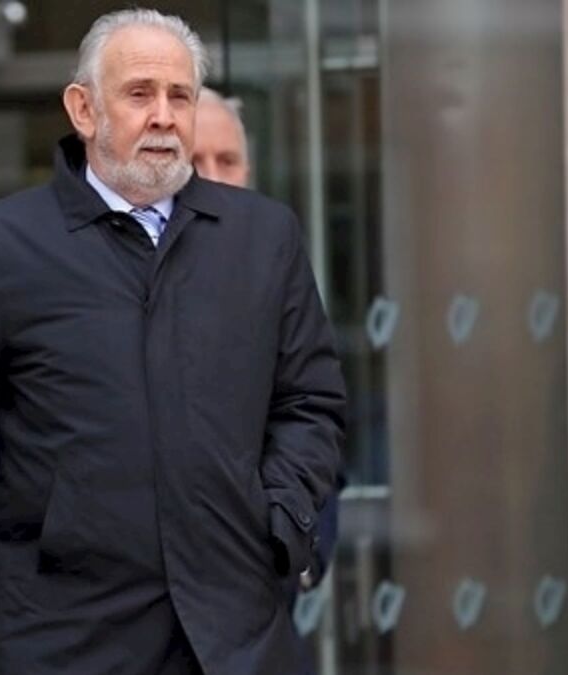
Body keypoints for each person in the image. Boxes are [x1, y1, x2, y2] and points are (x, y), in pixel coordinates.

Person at [0, 8, 346, 675]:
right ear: (83, 109)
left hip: (235, 633)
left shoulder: (265, 237)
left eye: (179, 96)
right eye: (139, 94)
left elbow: (311, 404)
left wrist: (276, 523)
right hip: (64, 638)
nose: (163, 117)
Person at [193, 86, 344, 672]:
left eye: (227, 161)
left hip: (262, 627)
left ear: (249, 172)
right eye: (195, 161)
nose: (214, 178)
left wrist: (293, 557)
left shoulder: (279, 272)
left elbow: (318, 423)